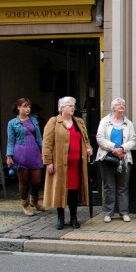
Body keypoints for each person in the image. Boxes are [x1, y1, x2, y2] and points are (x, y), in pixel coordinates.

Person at [42, 96, 93, 230]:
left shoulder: (79, 122)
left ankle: (74, 218)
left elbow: (86, 139)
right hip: (59, 164)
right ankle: (60, 218)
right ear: (62, 107)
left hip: (76, 165)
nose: (73, 107)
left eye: (73, 105)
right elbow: (47, 144)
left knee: (73, 192)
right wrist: (48, 162)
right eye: (70, 105)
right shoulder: (54, 122)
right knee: (60, 191)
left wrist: (88, 148)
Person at [95, 98, 136, 223]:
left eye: (123, 104)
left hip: (123, 158)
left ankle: (124, 212)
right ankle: (108, 213)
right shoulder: (105, 122)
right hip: (107, 158)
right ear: (113, 108)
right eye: (119, 104)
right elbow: (100, 138)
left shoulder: (128, 123)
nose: (121, 106)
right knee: (109, 187)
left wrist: (122, 149)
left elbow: (133, 140)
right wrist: (114, 148)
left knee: (123, 186)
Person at [6, 97, 45, 216]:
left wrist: (43, 150)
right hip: (20, 154)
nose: (27, 109)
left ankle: (35, 200)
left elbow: (39, 137)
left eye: (29, 106)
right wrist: (9, 155)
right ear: (18, 108)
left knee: (37, 180)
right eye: (24, 106)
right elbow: (10, 141)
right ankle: (25, 204)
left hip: (34, 152)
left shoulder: (34, 120)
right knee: (24, 181)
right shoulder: (12, 123)